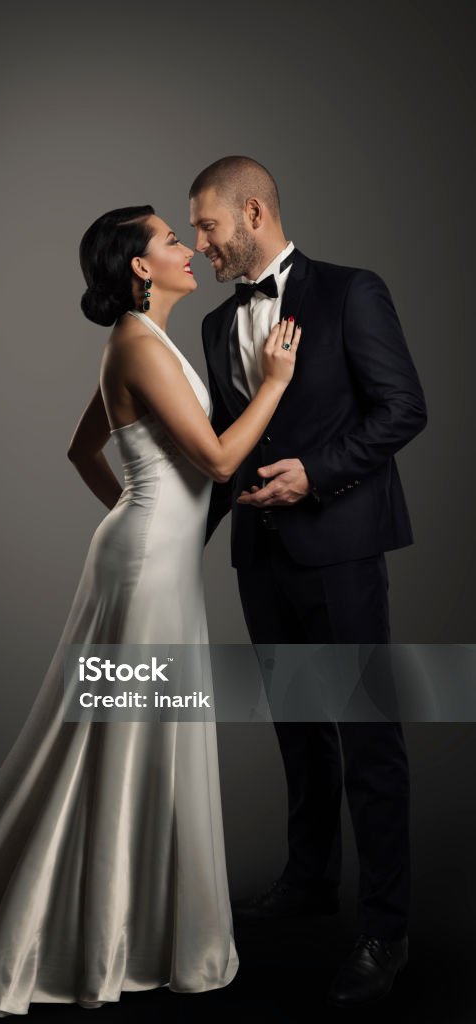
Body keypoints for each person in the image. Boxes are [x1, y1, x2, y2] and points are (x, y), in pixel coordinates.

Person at [0, 204, 301, 1016]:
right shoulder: (133, 341)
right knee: (126, 738)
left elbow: (82, 449)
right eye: (170, 241)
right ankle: (103, 939)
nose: (190, 248)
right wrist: (272, 385)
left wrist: (140, 515)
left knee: (142, 733)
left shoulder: (142, 344)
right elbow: (222, 460)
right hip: (148, 567)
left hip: (149, 560)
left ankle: (135, 927)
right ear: (138, 270)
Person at [189, 156, 427, 1008]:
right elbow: (222, 450)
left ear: (251, 212)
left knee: (368, 739)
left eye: (207, 226)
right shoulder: (217, 327)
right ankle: (309, 882)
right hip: (261, 557)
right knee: (297, 731)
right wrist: (166, 543)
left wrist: (314, 474)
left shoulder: (350, 290)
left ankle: (384, 928)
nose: (199, 244)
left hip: (341, 552)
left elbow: (402, 407)